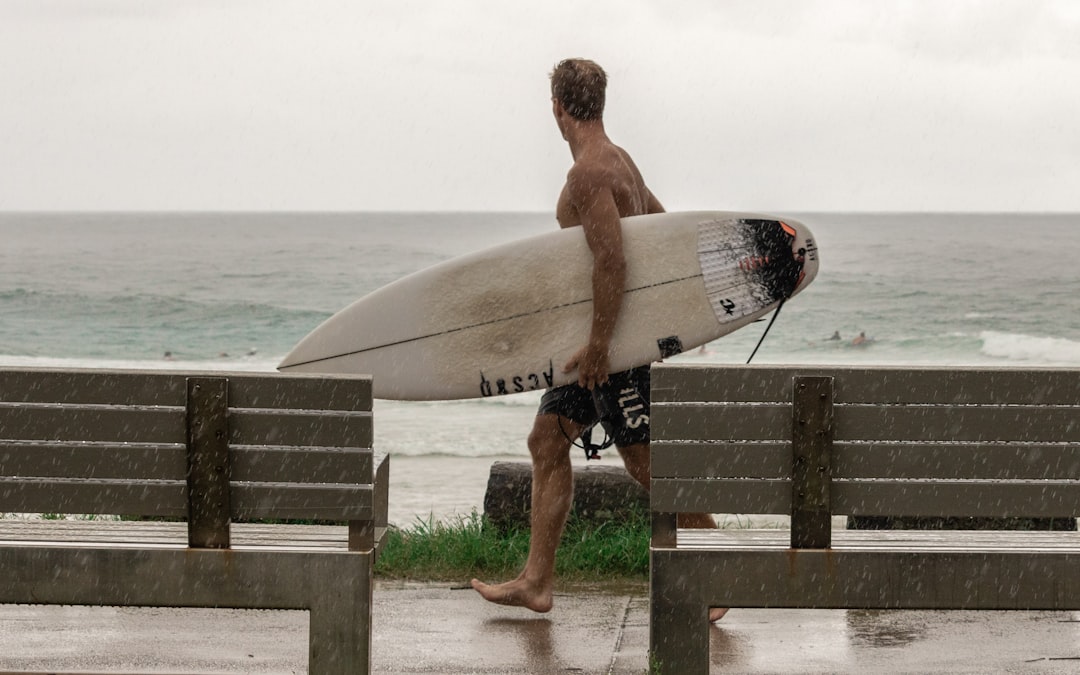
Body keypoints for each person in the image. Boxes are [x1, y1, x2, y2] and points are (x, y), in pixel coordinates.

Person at [471, 59, 726, 622]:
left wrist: (605, 344)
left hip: (608, 350)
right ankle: (537, 581)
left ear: (557, 109)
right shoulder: (621, 163)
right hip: (601, 345)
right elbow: (663, 231)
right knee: (546, 440)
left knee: (644, 463)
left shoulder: (589, 173)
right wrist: (689, 313)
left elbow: (612, 258)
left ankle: (720, 568)